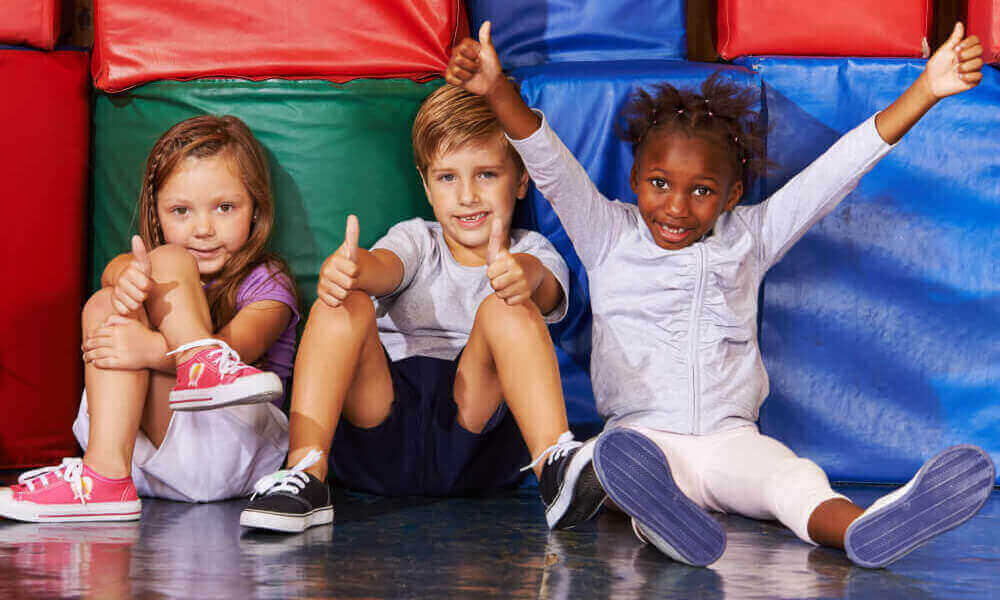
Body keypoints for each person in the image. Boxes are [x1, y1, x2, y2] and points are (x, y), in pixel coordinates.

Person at [445, 21, 995, 568]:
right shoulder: (607, 232)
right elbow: (549, 163)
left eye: (702, 191)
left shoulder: (752, 237)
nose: (678, 207)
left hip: (733, 442)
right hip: (642, 440)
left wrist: (926, 89)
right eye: (660, 183)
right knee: (611, 467)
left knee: (794, 480)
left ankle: (863, 528)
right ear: (634, 179)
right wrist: (496, 90)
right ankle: (656, 517)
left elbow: (839, 171)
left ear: (732, 194)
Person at [240, 85, 605, 533]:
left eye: (486, 175)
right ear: (426, 185)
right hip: (381, 423)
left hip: (473, 431)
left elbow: (542, 286)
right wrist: (353, 269)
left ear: (521, 179)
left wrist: (519, 276)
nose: (467, 195)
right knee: (343, 303)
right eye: (448, 178)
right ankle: (304, 473)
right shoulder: (417, 238)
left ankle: (555, 465)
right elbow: (386, 269)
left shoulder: (532, 250)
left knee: (507, 306)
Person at [0, 115, 300, 521]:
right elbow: (120, 271)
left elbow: (240, 349)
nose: (203, 228)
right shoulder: (153, 265)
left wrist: (147, 350)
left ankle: (200, 363)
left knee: (165, 266)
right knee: (107, 304)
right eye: (181, 211)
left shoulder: (268, 283)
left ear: (255, 209)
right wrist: (123, 281)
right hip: (147, 462)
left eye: (225, 207)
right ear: (156, 216)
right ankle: (104, 477)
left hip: (231, 451)